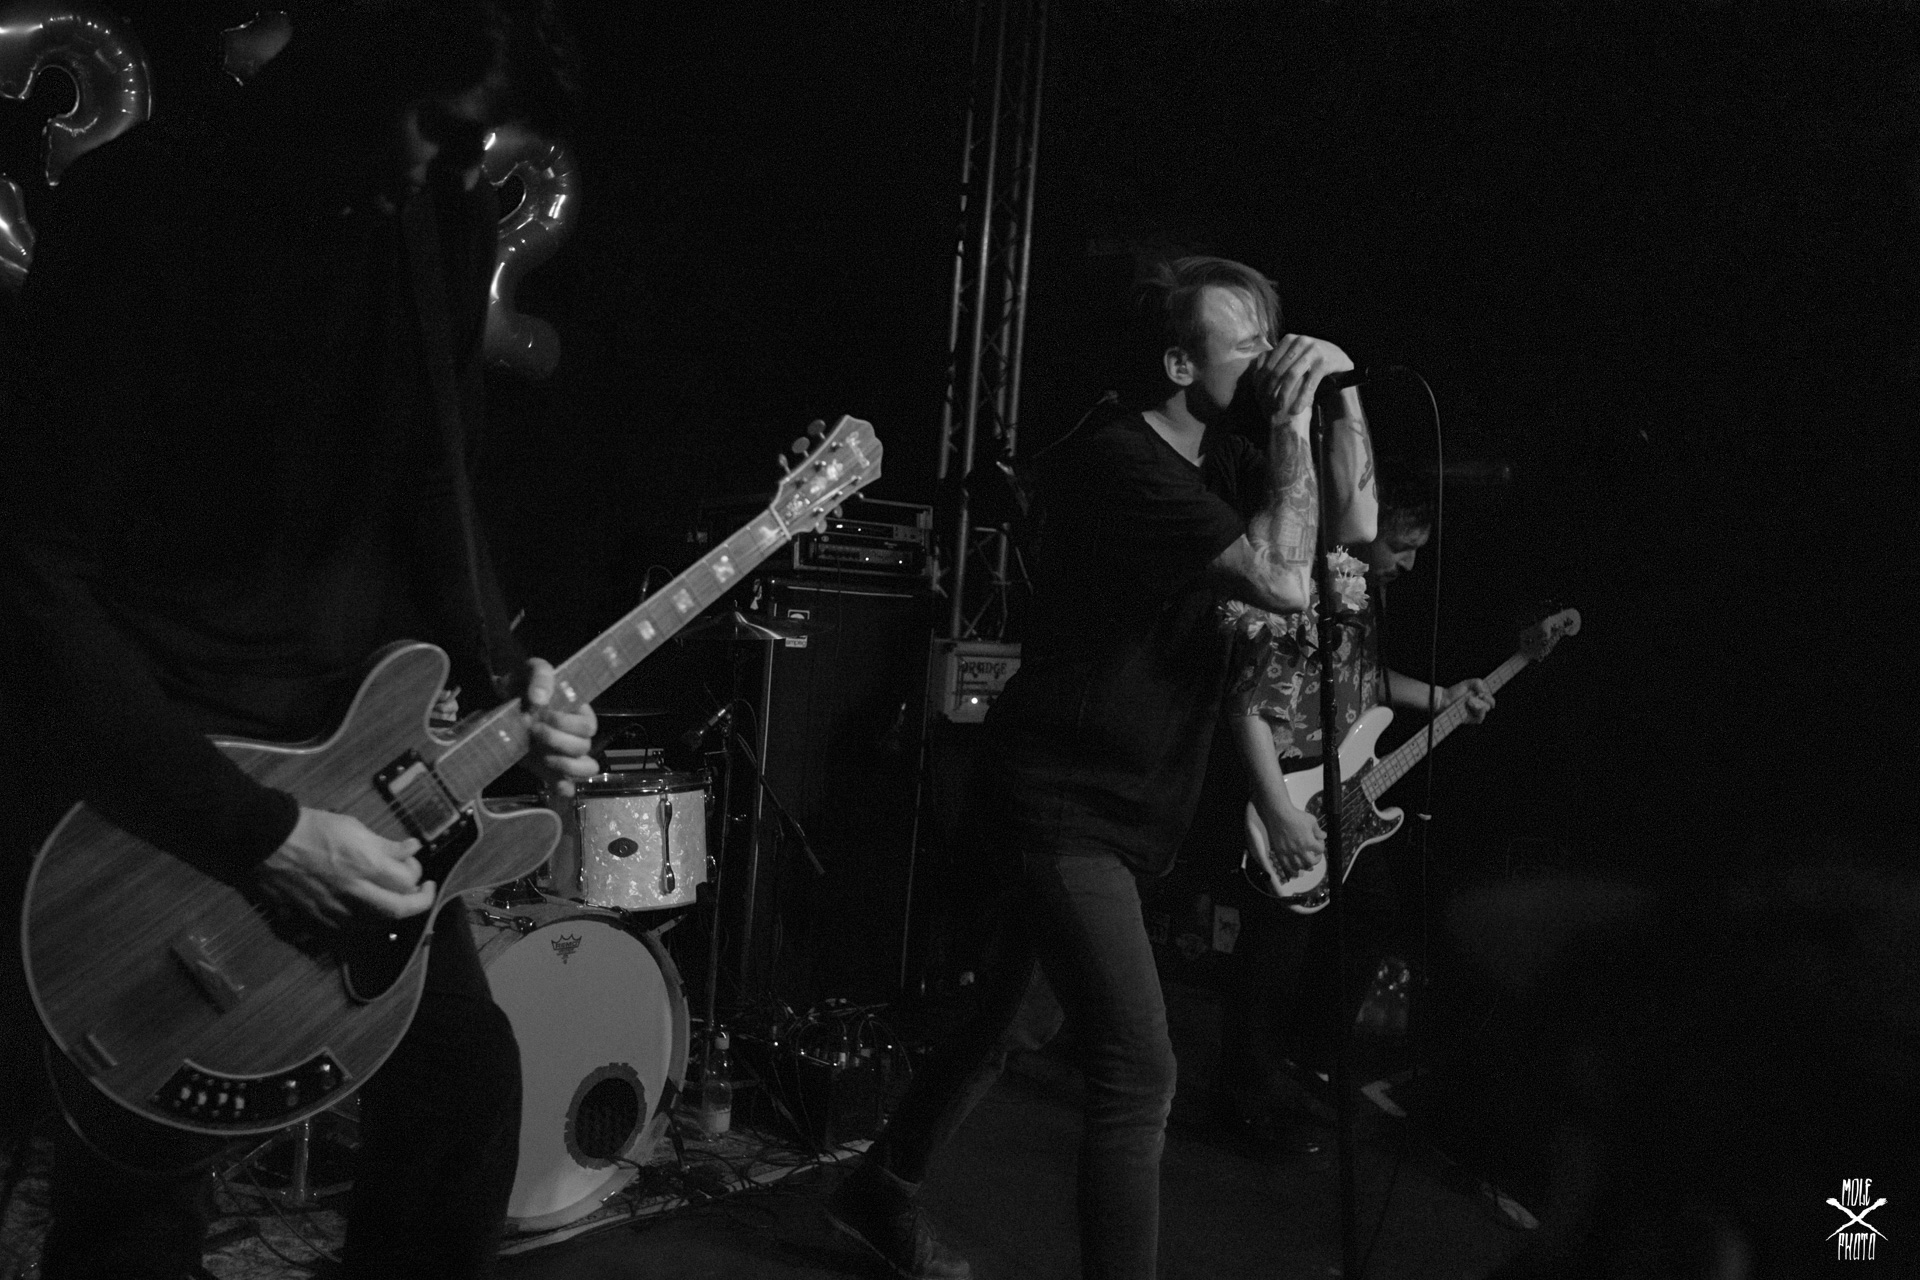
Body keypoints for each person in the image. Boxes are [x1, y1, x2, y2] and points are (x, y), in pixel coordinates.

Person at [0, 5, 587, 1278]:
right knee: (136, 1201)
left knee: (463, 1093)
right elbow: (35, 568)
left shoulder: (437, 219)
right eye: (442, 128)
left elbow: (438, 497)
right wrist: (256, 831)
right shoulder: (142, 207)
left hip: (345, 756)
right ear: (354, 60)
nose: (458, 166)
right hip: (145, 767)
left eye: (481, 145)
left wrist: (509, 676)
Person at [826, 255, 1378, 1280]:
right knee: (1140, 1072)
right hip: (1062, 800)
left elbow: (1355, 529)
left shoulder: (1222, 459)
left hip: (1130, 801)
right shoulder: (1121, 459)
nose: (1270, 359)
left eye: (1273, 336)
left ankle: (881, 1186)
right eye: (1246, 343)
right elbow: (1280, 580)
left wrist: (1339, 393)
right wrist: (1296, 424)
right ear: (1179, 363)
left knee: (1014, 1016)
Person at [1214, 476, 1493, 1127]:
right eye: (1401, 546)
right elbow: (1246, 703)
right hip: (1290, 783)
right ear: (1363, 531)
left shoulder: (1361, 594)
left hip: (1344, 778)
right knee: (1278, 943)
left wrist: (1442, 696)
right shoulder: (1299, 588)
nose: (1411, 564)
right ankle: (1245, 1094)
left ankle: (1305, 1058)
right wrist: (1279, 811)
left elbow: (1360, 680)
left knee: (1370, 916)